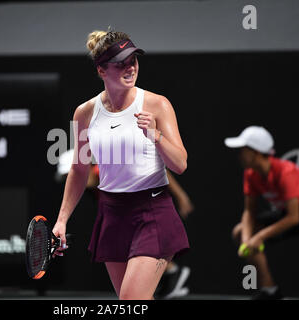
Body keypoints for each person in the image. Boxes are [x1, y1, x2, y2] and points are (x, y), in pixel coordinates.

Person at [52, 29, 190, 300]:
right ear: (102, 70)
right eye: (120, 63)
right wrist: (61, 220)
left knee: (131, 301)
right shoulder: (85, 113)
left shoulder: (157, 105)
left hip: (153, 211)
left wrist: (156, 135)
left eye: (133, 60)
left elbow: (180, 164)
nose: (130, 67)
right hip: (112, 214)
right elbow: (79, 169)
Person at [225, 126, 299, 300]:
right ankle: (270, 290)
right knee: (240, 232)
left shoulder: (285, 173)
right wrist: (247, 240)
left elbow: (294, 218)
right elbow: (249, 211)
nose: (239, 154)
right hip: (290, 212)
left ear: (256, 153)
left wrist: (259, 237)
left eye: (243, 150)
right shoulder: (251, 174)